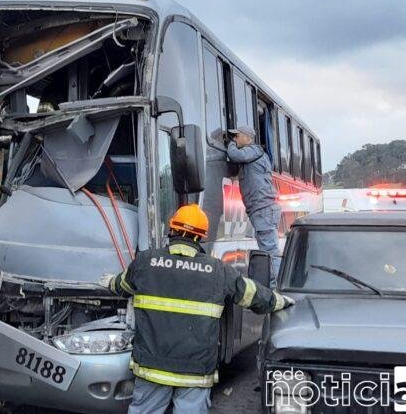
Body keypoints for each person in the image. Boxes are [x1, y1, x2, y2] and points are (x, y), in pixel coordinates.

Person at [101, 204, 295, 414]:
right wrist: (282, 301)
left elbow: (121, 286)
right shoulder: (218, 270)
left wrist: (109, 281)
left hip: (151, 367)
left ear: (172, 230)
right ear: (200, 237)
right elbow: (253, 295)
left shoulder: (145, 262)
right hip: (195, 370)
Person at [226, 125, 282, 286]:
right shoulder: (254, 154)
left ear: (248, 138)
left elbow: (234, 154)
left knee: (269, 252)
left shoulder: (253, 150)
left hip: (263, 209)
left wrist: (230, 144)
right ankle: (275, 287)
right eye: (233, 136)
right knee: (269, 250)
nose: (235, 138)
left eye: (238, 136)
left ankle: (277, 289)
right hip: (264, 209)